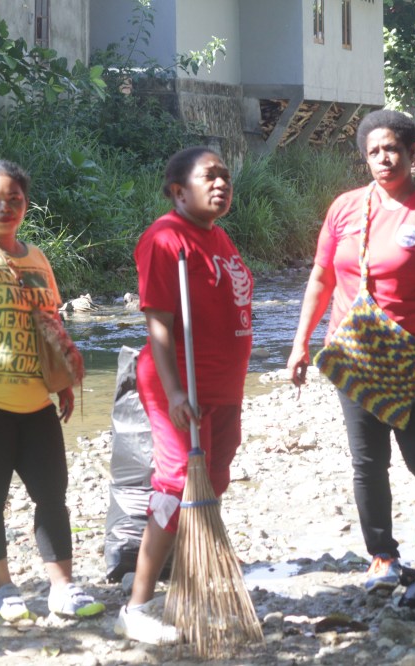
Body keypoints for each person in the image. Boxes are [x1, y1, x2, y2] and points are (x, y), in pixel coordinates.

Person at [286, 110, 415, 594]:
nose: (384, 158)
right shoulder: (345, 208)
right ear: (364, 157)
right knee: (367, 460)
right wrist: (300, 343)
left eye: (392, 149)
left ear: (412, 153)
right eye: (374, 151)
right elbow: (322, 278)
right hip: (354, 355)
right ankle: (382, 556)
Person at [0, 159, 105, 623]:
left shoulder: (37, 257)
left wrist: (63, 382)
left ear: (25, 204)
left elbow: (49, 323)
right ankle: (3, 588)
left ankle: (63, 587)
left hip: (35, 401)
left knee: (52, 494)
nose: (5, 208)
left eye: (15, 200)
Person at [114, 147, 254, 644]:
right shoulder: (165, 238)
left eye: (225, 177)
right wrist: (174, 392)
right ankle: (137, 606)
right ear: (178, 190)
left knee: (211, 484)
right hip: (181, 386)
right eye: (209, 176)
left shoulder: (219, 236)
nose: (221, 184)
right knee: (176, 490)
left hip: (223, 386)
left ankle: (192, 588)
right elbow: (159, 325)